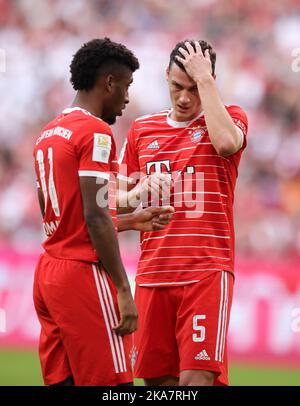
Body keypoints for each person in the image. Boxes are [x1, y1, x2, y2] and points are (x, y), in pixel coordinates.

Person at [33, 38, 173, 387]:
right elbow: (94, 215)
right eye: (125, 87)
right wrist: (124, 290)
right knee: (114, 386)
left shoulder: (48, 133)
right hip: (83, 274)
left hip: (48, 273)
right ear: (108, 82)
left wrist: (128, 221)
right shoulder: (94, 132)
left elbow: (64, 215)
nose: (127, 98)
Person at [118, 40, 248, 386]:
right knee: (158, 383)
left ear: (210, 81)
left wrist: (206, 82)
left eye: (194, 88)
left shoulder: (230, 117)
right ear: (165, 78)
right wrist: (138, 191)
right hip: (152, 275)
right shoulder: (142, 130)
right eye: (177, 87)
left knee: (196, 380)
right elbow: (114, 197)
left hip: (205, 273)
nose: (185, 97)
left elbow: (225, 144)